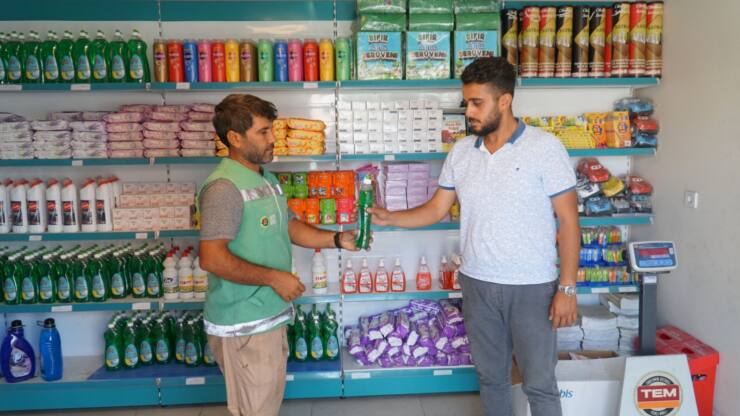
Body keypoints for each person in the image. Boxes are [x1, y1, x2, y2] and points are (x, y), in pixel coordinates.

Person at [369, 57, 580, 416]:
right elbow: (436, 209)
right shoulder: (462, 152)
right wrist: (390, 218)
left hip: (531, 287)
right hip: (477, 284)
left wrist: (568, 288)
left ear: (505, 101)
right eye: (466, 102)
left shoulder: (545, 148)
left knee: (540, 384)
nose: (468, 112)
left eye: (477, 103)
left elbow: (569, 221)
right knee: (491, 378)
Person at [198, 94, 358, 416]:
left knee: (264, 405)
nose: (273, 139)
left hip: (267, 316)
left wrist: (338, 239)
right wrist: (274, 278)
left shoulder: (265, 179)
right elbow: (211, 258)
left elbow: (290, 226)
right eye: (263, 132)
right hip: (244, 323)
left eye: (272, 129)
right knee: (256, 410)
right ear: (235, 138)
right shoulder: (224, 188)